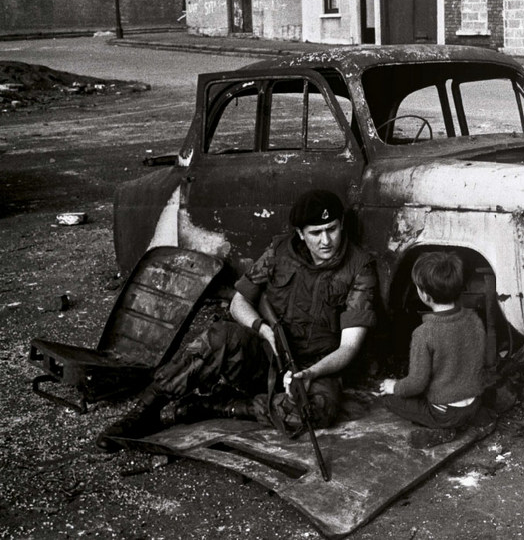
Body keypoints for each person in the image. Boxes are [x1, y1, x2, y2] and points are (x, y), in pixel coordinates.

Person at [96, 189, 377, 452]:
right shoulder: (279, 252)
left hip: (318, 366)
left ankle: (215, 407)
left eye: (332, 229)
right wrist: (263, 329)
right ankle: (144, 411)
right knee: (218, 338)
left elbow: (349, 348)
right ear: (301, 235)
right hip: (269, 352)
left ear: (342, 225)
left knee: (311, 411)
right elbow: (239, 302)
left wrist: (309, 374)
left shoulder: (359, 267)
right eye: (316, 233)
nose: (326, 241)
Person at [379, 252, 487, 448]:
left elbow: (416, 385)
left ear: (425, 295)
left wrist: (394, 386)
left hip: (444, 413)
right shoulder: (474, 319)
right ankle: (470, 420)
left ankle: (442, 430)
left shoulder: (424, 333)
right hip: (475, 403)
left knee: (389, 399)